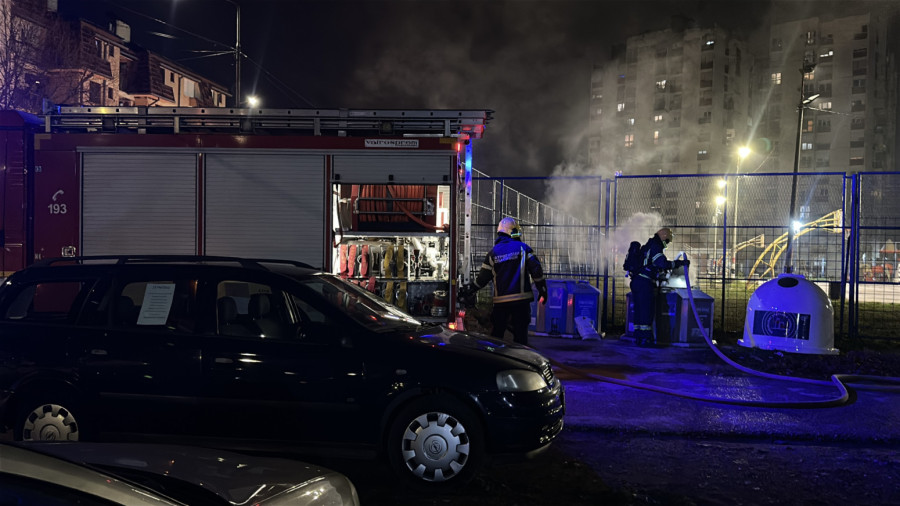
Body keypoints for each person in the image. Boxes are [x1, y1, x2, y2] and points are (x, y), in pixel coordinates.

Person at [460, 217, 548, 345]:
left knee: (497, 336)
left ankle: (497, 362)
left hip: (501, 303)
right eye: (515, 232)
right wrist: (542, 289)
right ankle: (521, 361)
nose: (517, 235)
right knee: (521, 336)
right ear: (510, 232)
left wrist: (471, 289)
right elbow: (536, 271)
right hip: (521, 302)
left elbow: (482, 279)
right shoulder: (523, 248)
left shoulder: (493, 253)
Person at [630, 227, 689, 347]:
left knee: (639, 311)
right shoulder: (656, 245)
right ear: (663, 235)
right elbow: (662, 263)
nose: (667, 244)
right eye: (667, 240)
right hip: (644, 283)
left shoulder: (649, 245)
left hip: (637, 281)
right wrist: (679, 263)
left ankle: (639, 338)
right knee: (646, 311)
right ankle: (646, 339)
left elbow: (652, 264)